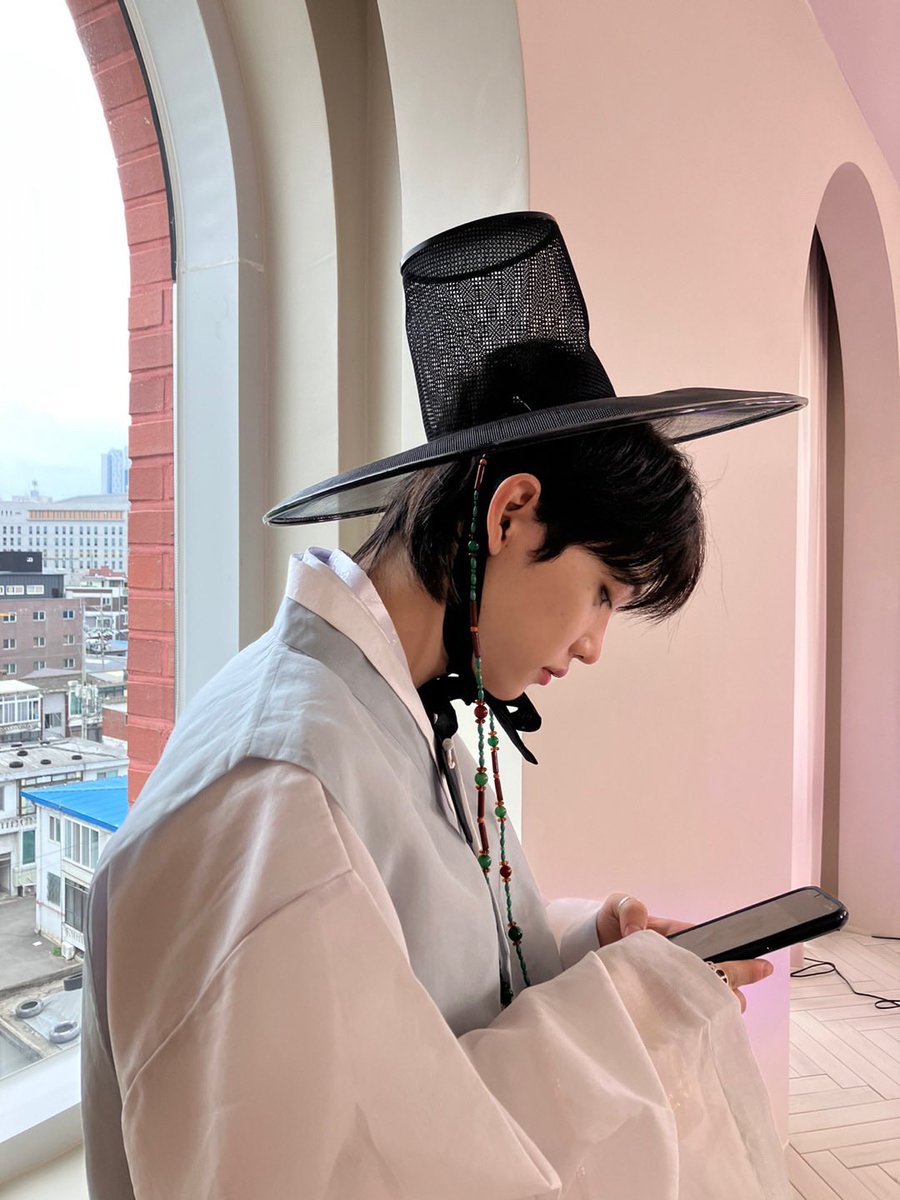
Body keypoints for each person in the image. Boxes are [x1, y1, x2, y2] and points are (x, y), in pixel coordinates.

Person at [81, 213, 804, 1198]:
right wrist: (633, 1009)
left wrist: (590, 947)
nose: (593, 644)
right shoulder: (279, 785)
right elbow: (347, 1168)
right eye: (602, 592)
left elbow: (420, 996)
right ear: (512, 513)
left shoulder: (403, 714)